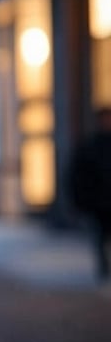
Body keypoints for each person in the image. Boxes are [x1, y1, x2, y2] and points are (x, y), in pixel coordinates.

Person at [69, 107, 111, 282]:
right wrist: (83, 200)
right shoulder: (90, 146)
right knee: (100, 237)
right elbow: (79, 175)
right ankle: (103, 267)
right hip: (99, 202)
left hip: (102, 199)